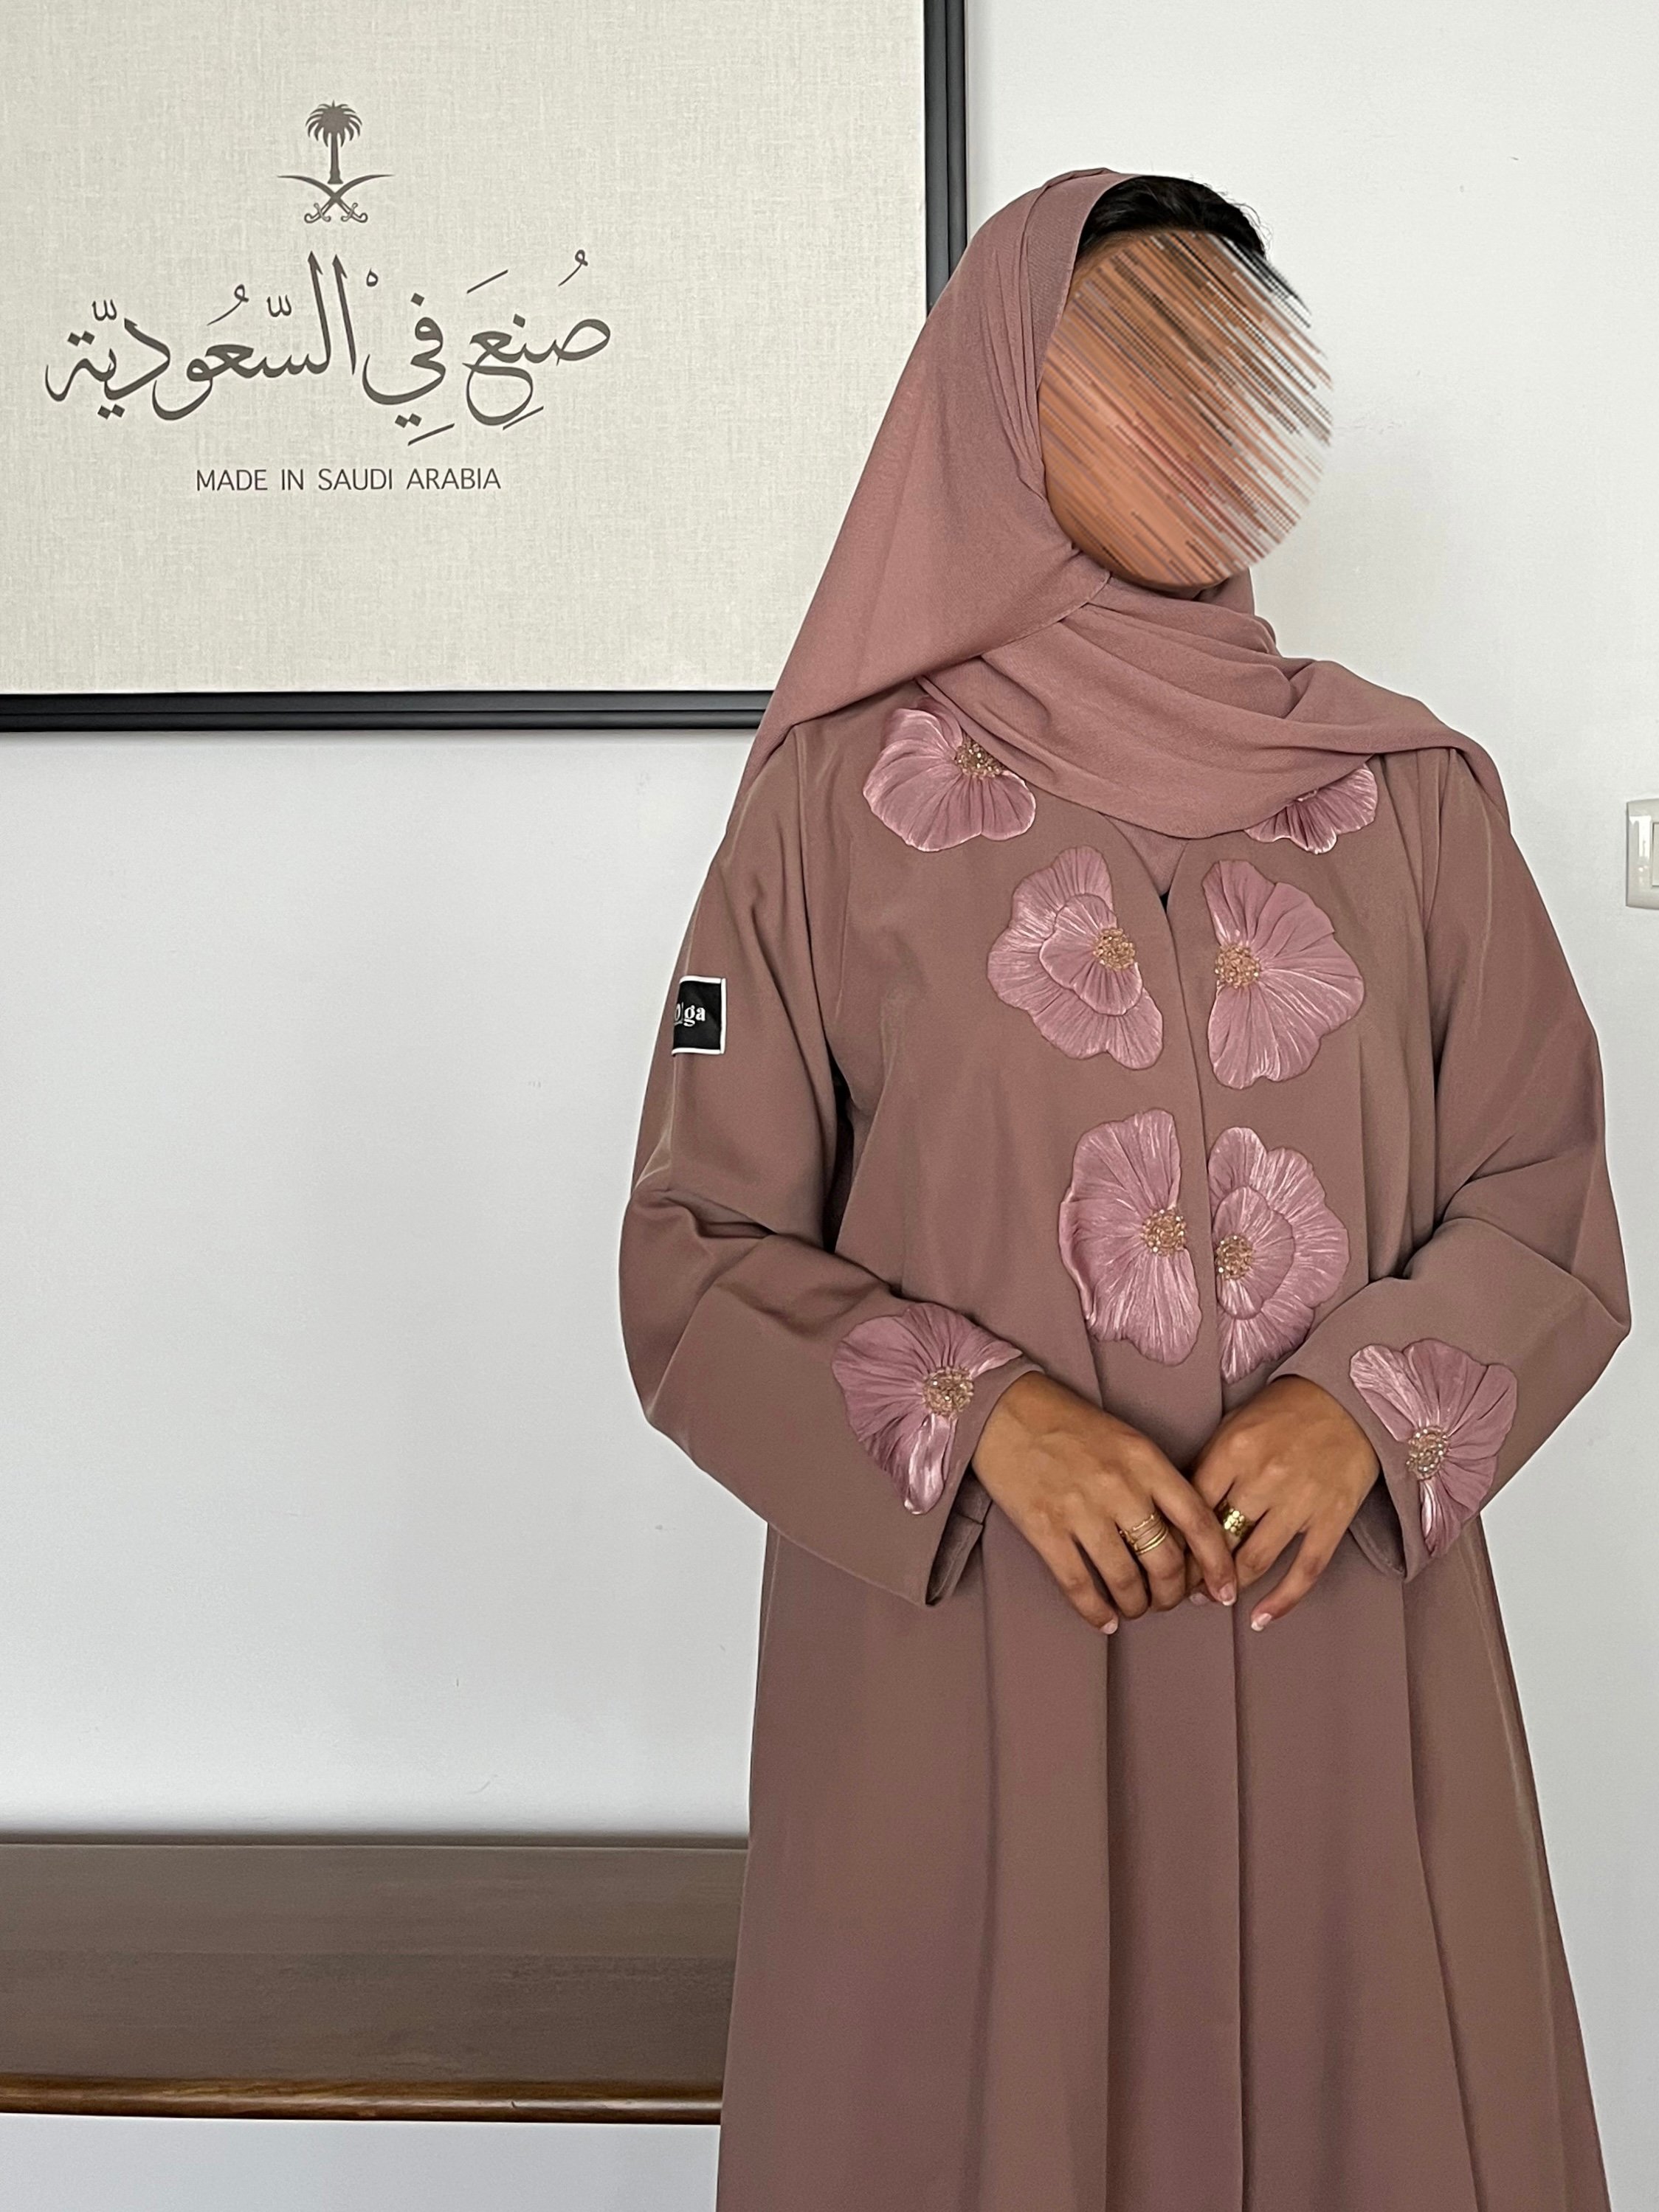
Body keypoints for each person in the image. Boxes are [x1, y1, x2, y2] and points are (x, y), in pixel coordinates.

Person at [617, 165, 1630, 2212]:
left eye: (1236, 368)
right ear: (997, 408)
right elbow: (694, 1254)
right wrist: (981, 1416)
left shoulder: (1412, 802)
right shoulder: (836, 806)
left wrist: (1369, 1407)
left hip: (1337, 1645)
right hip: (984, 1652)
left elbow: (1543, 1186)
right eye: (1134, 367)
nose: (1199, 417)